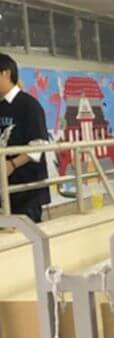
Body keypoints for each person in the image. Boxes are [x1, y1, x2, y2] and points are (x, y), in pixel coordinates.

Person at [0, 53, 51, 223]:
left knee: (27, 234)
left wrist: (12, 164)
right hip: (5, 189)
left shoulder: (29, 105)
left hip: (28, 189)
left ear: (5, 73)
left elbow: (39, 145)